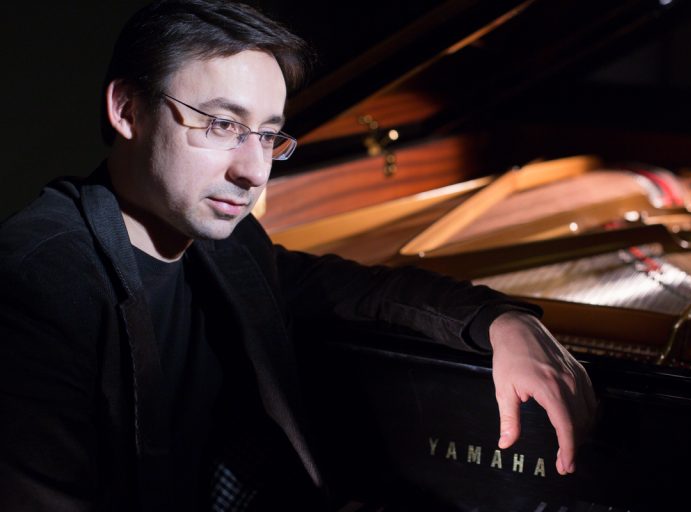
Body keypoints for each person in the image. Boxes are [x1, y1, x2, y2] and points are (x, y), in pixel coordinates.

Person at [0, 1, 596, 510]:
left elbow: (355, 290)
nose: (254, 171)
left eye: (267, 135)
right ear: (127, 110)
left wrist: (500, 321)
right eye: (222, 124)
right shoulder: (38, 284)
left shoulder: (227, 244)